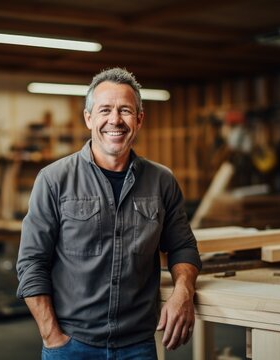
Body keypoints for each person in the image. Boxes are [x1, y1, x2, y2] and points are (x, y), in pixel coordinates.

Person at [16, 67, 201, 359]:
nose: (115, 120)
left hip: (137, 345)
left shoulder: (161, 181)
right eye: (105, 110)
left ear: (139, 119)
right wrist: (51, 335)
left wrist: (183, 291)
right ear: (89, 118)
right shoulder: (54, 180)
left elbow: (183, 247)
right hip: (71, 345)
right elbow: (31, 262)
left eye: (125, 110)